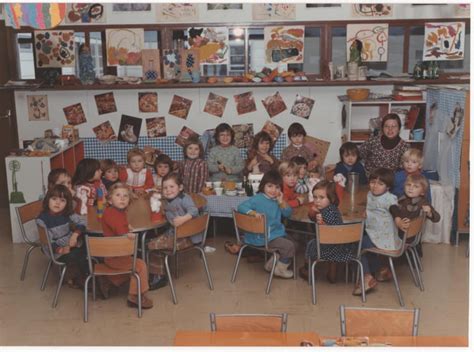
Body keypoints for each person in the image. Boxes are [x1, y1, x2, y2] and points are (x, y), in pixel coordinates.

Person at [100, 183, 153, 309]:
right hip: (115, 256)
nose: (122, 198)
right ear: (110, 200)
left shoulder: (116, 212)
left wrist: (126, 226)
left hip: (115, 254)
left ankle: (108, 280)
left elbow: (119, 224)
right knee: (140, 265)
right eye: (118, 195)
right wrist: (127, 234)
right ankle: (135, 296)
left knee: (133, 264)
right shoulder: (113, 213)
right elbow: (120, 231)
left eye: (125, 196)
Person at [237, 170, 296, 278]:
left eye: (277, 187)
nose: (273, 190)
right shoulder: (257, 199)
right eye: (270, 186)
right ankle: (280, 269)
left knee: (293, 242)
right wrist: (253, 213)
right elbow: (241, 207)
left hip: (272, 234)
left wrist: (281, 201)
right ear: (263, 186)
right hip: (263, 237)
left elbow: (288, 213)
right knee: (289, 246)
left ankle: (271, 264)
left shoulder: (277, 200)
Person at [354, 168, 404, 296]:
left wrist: (398, 219)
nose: (375, 186)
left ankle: (367, 276)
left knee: (359, 244)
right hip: (374, 232)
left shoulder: (389, 198)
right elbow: (374, 207)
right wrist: (368, 212)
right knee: (365, 243)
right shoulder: (370, 194)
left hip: (384, 236)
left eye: (380, 184)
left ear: (387, 187)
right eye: (372, 182)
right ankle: (381, 269)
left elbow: (394, 209)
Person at [147, 173, 200, 290]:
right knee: (153, 245)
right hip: (174, 234)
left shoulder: (184, 198)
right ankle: (158, 275)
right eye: (165, 188)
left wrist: (183, 219)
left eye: (171, 187)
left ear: (180, 188)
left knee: (150, 245)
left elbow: (194, 210)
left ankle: (158, 276)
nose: (168, 190)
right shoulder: (166, 200)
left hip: (186, 238)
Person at [299, 180, 358, 283]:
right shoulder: (334, 209)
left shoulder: (323, 214)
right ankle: (332, 274)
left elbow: (325, 230)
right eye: (315, 197)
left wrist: (320, 221)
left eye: (321, 198)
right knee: (330, 241)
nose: (317, 201)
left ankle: (307, 269)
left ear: (332, 198)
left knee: (311, 243)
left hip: (326, 249)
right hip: (341, 247)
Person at [36, 184, 88, 288]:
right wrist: (61, 250)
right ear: (48, 200)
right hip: (56, 251)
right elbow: (48, 243)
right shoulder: (43, 220)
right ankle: (84, 278)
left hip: (70, 242)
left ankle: (81, 275)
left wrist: (75, 234)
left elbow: (83, 222)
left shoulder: (66, 213)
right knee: (85, 252)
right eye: (54, 199)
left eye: (62, 200)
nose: (58, 203)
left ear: (67, 204)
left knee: (89, 242)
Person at [390, 174, 440, 258]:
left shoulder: (423, 203)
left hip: (404, 236)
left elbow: (437, 218)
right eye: (408, 185)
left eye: (416, 186)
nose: (411, 188)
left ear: (422, 192)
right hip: (406, 234)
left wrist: (430, 212)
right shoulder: (401, 198)